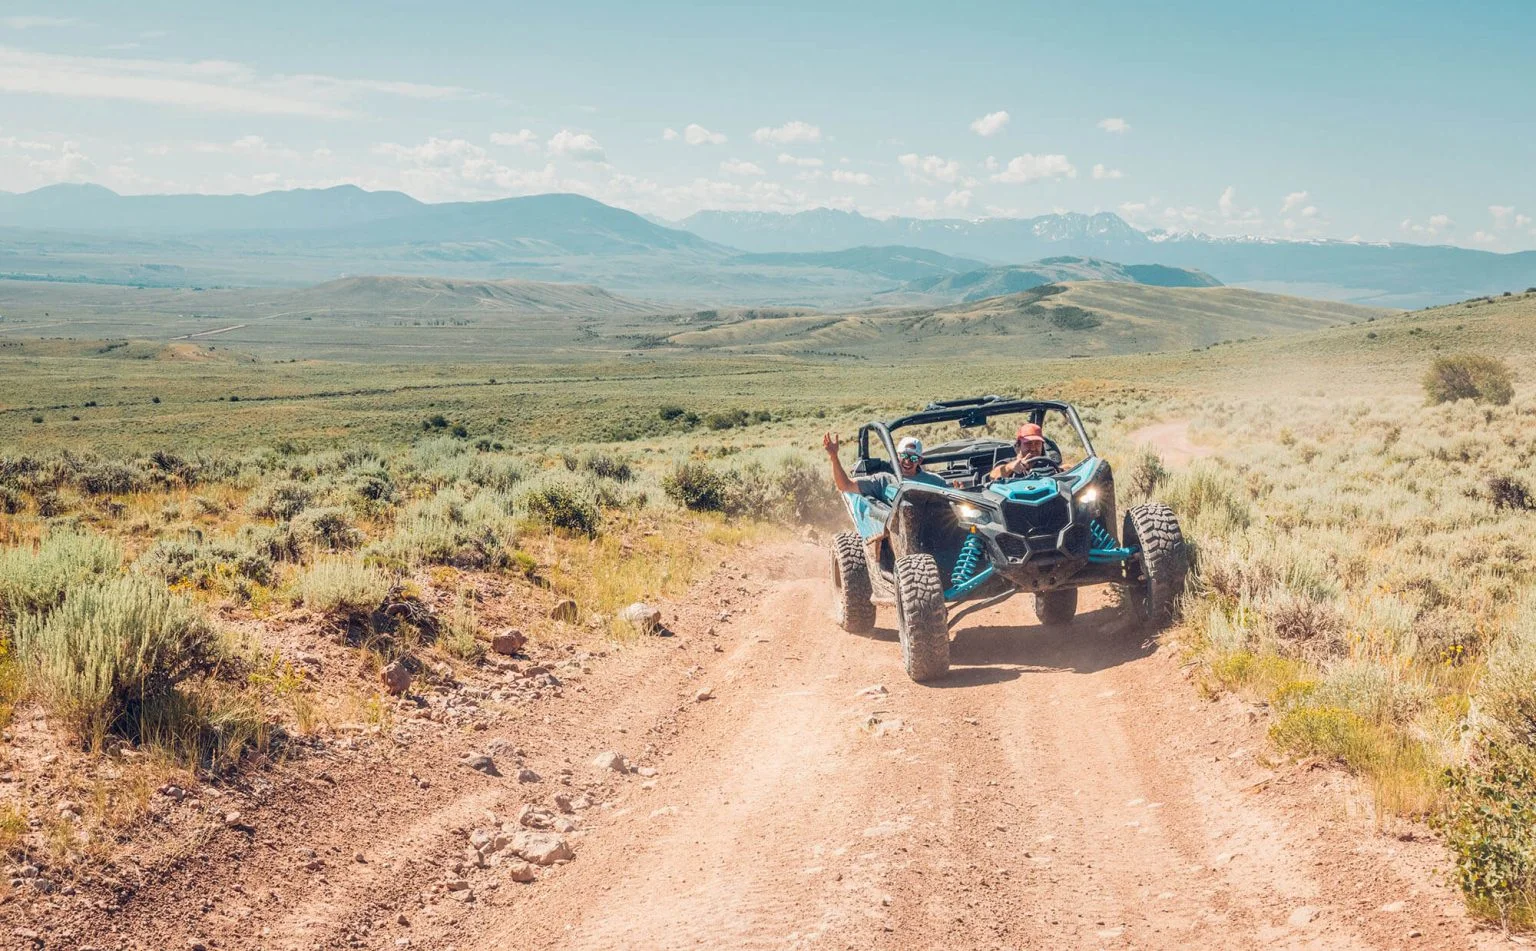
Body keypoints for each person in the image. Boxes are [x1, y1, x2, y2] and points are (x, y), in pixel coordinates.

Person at [823, 432, 947, 502]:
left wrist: (960, 491)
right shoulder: (884, 481)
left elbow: (953, 505)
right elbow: (845, 485)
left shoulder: (936, 482)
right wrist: (834, 457)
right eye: (904, 455)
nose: (908, 461)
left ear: (920, 460)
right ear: (896, 456)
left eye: (913, 458)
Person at [987, 423, 1057, 482]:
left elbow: (1061, 471)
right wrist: (1010, 468)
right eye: (1028, 443)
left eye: (1037, 443)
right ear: (1018, 445)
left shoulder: (1046, 463)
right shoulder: (1008, 463)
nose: (1033, 448)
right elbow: (992, 476)